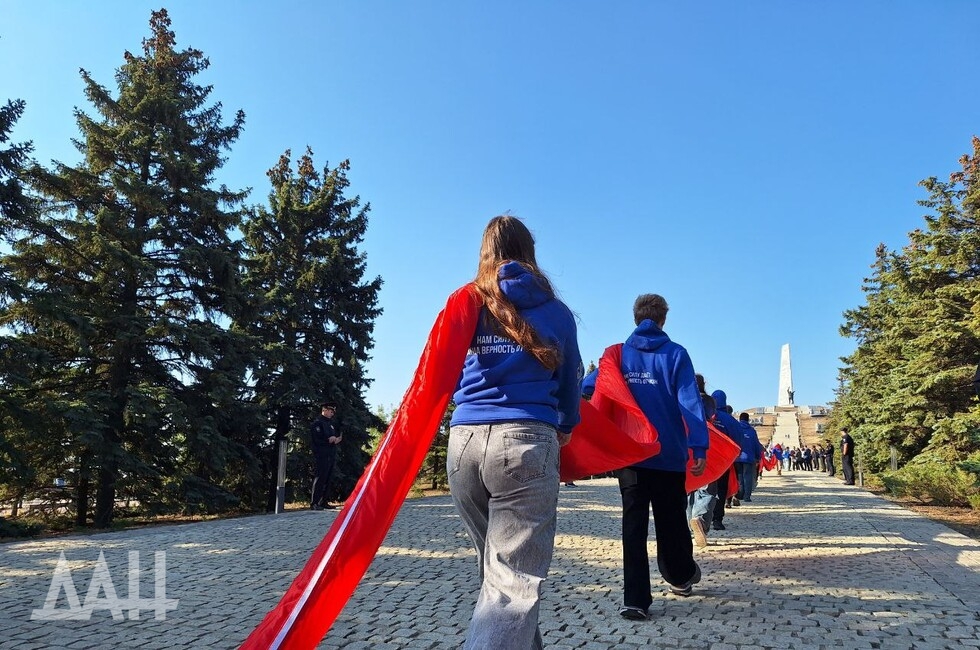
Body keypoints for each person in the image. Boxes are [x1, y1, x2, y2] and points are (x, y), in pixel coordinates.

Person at [447, 215, 582, 650]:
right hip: (525, 441)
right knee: (511, 582)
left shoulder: (466, 303)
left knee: (500, 575)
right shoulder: (556, 312)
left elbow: (443, 371)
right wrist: (565, 425)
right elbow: (570, 379)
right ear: (530, 253)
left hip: (464, 444)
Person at [604, 293, 708, 620]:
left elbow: (596, 387)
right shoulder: (677, 355)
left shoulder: (616, 355)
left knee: (633, 526)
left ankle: (634, 600)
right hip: (669, 454)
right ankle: (679, 576)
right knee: (672, 522)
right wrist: (699, 447)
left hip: (631, 455)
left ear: (635, 317)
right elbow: (690, 403)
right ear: (664, 319)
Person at [687, 374, 717, 548]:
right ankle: (700, 520)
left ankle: (690, 525)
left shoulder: (682, 398)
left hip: (686, 448)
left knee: (689, 489)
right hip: (707, 448)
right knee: (707, 489)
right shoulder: (708, 401)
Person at [310, 403, 342, 510]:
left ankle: (323, 501)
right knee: (320, 477)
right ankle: (314, 503)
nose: (332, 414)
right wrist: (328, 440)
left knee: (328, 477)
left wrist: (336, 440)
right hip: (322, 454)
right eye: (330, 411)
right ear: (324, 410)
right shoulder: (317, 423)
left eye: (333, 412)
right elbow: (316, 440)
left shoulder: (330, 424)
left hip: (330, 453)